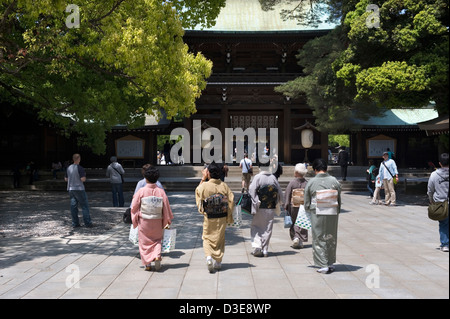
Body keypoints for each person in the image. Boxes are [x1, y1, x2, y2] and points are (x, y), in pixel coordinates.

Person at [131, 166, 174, 271]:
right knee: (157, 240)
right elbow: (166, 207)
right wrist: (167, 219)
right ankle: (157, 256)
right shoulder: (161, 191)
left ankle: (148, 264)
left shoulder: (141, 191)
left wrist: (135, 218)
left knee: (144, 241)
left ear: (145, 178)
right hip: (157, 220)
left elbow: (134, 206)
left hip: (144, 221)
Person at [304, 158, 341, 274]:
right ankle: (330, 262)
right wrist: (337, 210)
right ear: (326, 168)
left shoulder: (311, 182)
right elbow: (339, 197)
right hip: (332, 210)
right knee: (331, 235)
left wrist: (307, 208)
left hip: (317, 211)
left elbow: (307, 200)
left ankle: (322, 264)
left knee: (319, 236)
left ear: (315, 169)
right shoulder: (334, 181)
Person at [195, 163, 234, 272]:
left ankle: (208, 257)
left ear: (208, 173)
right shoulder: (223, 186)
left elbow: (198, 193)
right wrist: (228, 214)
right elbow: (231, 200)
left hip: (209, 216)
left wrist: (203, 179)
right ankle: (218, 262)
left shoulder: (204, 186)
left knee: (207, 237)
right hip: (221, 216)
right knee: (220, 238)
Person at [249, 164, 284, 257]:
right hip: (271, 206)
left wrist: (256, 201)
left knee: (256, 226)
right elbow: (279, 191)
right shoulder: (273, 177)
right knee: (268, 228)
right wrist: (281, 202)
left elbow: (252, 191)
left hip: (260, 205)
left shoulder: (258, 177)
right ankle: (265, 249)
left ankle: (257, 246)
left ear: (259, 167)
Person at [427, 153, 449, 252]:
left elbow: (430, 189)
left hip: (440, 203)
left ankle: (445, 244)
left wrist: (431, 200)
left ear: (440, 163)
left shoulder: (434, 175)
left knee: (443, 223)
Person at [64, 154, 93, 228]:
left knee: (73, 207)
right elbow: (82, 179)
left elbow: (66, 179)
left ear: (73, 159)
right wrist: (85, 177)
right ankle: (87, 223)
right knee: (84, 206)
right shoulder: (80, 168)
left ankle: (75, 223)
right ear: (79, 159)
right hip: (79, 188)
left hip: (71, 188)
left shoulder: (68, 168)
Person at [284, 163, 309, 249]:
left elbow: (287, 194)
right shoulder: (307, 183)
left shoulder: (292, 183)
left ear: (297, 172)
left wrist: (286, 204)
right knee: (302, 222)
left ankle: (296, 237)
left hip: (293, 205)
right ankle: (300, 240)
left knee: (294, 221)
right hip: (304, 205)